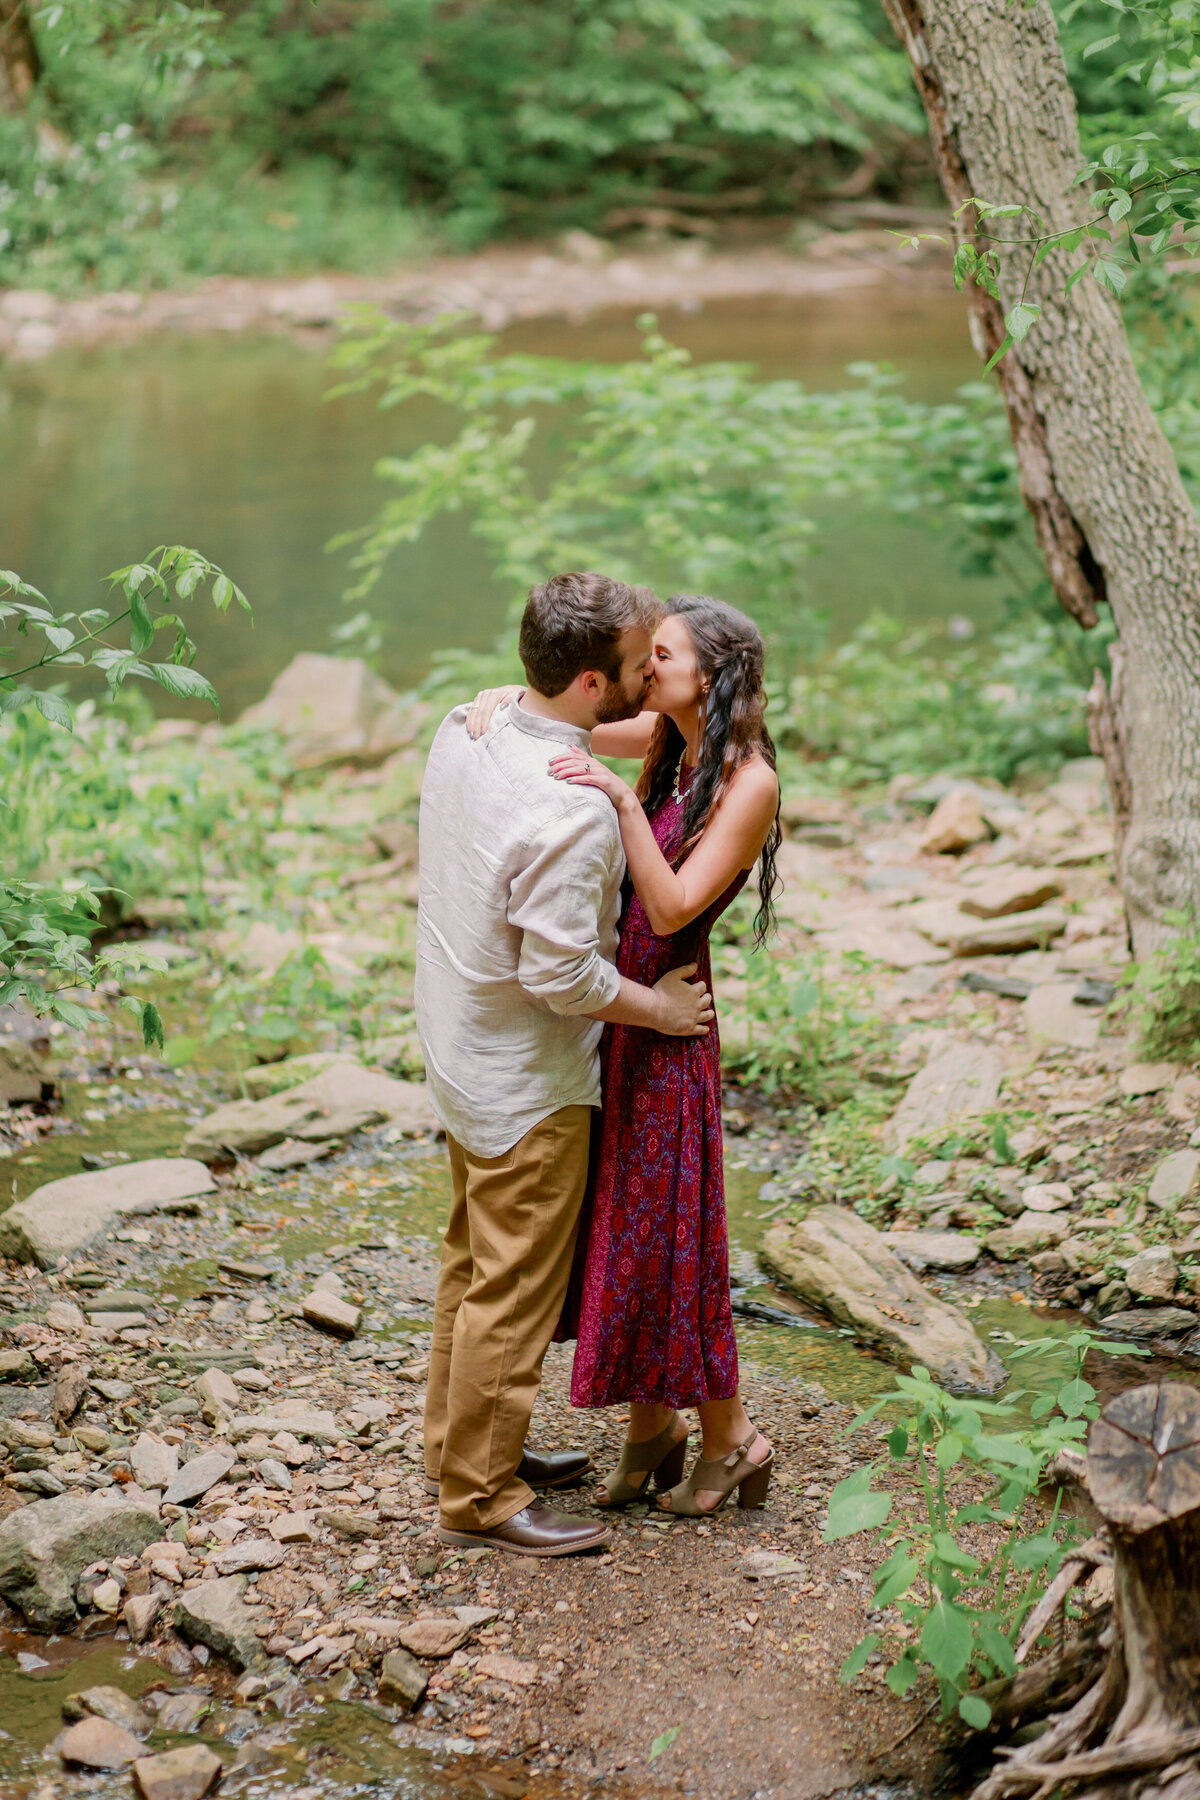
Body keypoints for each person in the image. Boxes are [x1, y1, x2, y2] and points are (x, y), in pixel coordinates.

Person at [416, 571, 715, 1558]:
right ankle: (481, 1496)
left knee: (471, 1261)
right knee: (511, 1290)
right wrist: (659, 1008)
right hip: (525, 1080)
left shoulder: (464, 729)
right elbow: (560, 976)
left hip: (458, 1046)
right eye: (636, 665)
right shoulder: (574, 812)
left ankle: (455, 1445)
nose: (648, 677)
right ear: (591, 684)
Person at [467, 594, 781, 1518]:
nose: (647, 668)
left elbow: (676, 903)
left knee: (675, 1238)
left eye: (665, 656)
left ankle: (734, 1440)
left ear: (710, 675)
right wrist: (501, 698)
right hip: (622, 1012)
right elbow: (569, 714)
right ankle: (653, 1431)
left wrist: (614, 798)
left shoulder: (749, 781)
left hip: (671, 1023)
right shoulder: (666, 733)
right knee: (635, 1233)